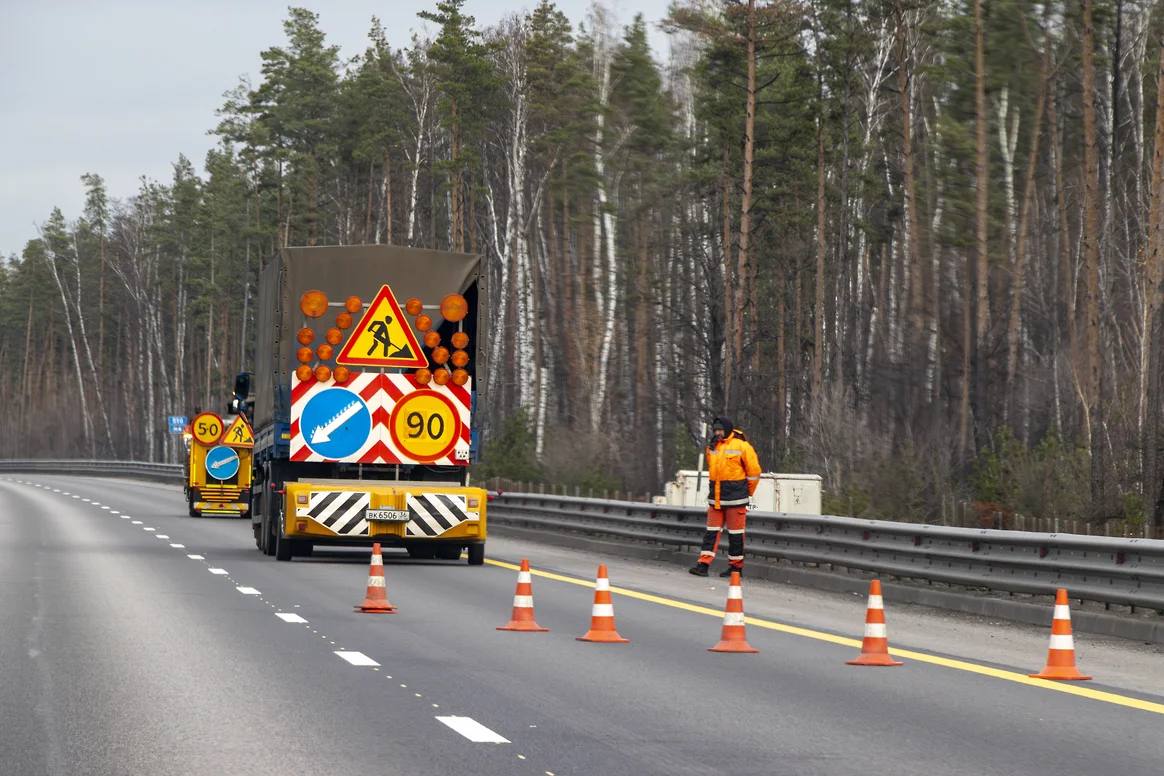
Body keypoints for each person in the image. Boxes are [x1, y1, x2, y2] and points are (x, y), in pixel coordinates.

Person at [689, 416, 761, 578]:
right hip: (716, 499)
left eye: (720, 430)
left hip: (736, 500)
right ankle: (703, 565)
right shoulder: (712, 447)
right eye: (715, 430)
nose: (718, 433)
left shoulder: (742, 446)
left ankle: (736, 568)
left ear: (727, 429)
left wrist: (746, 492)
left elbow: (754, 472)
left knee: (736, 535)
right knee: (711, 533)